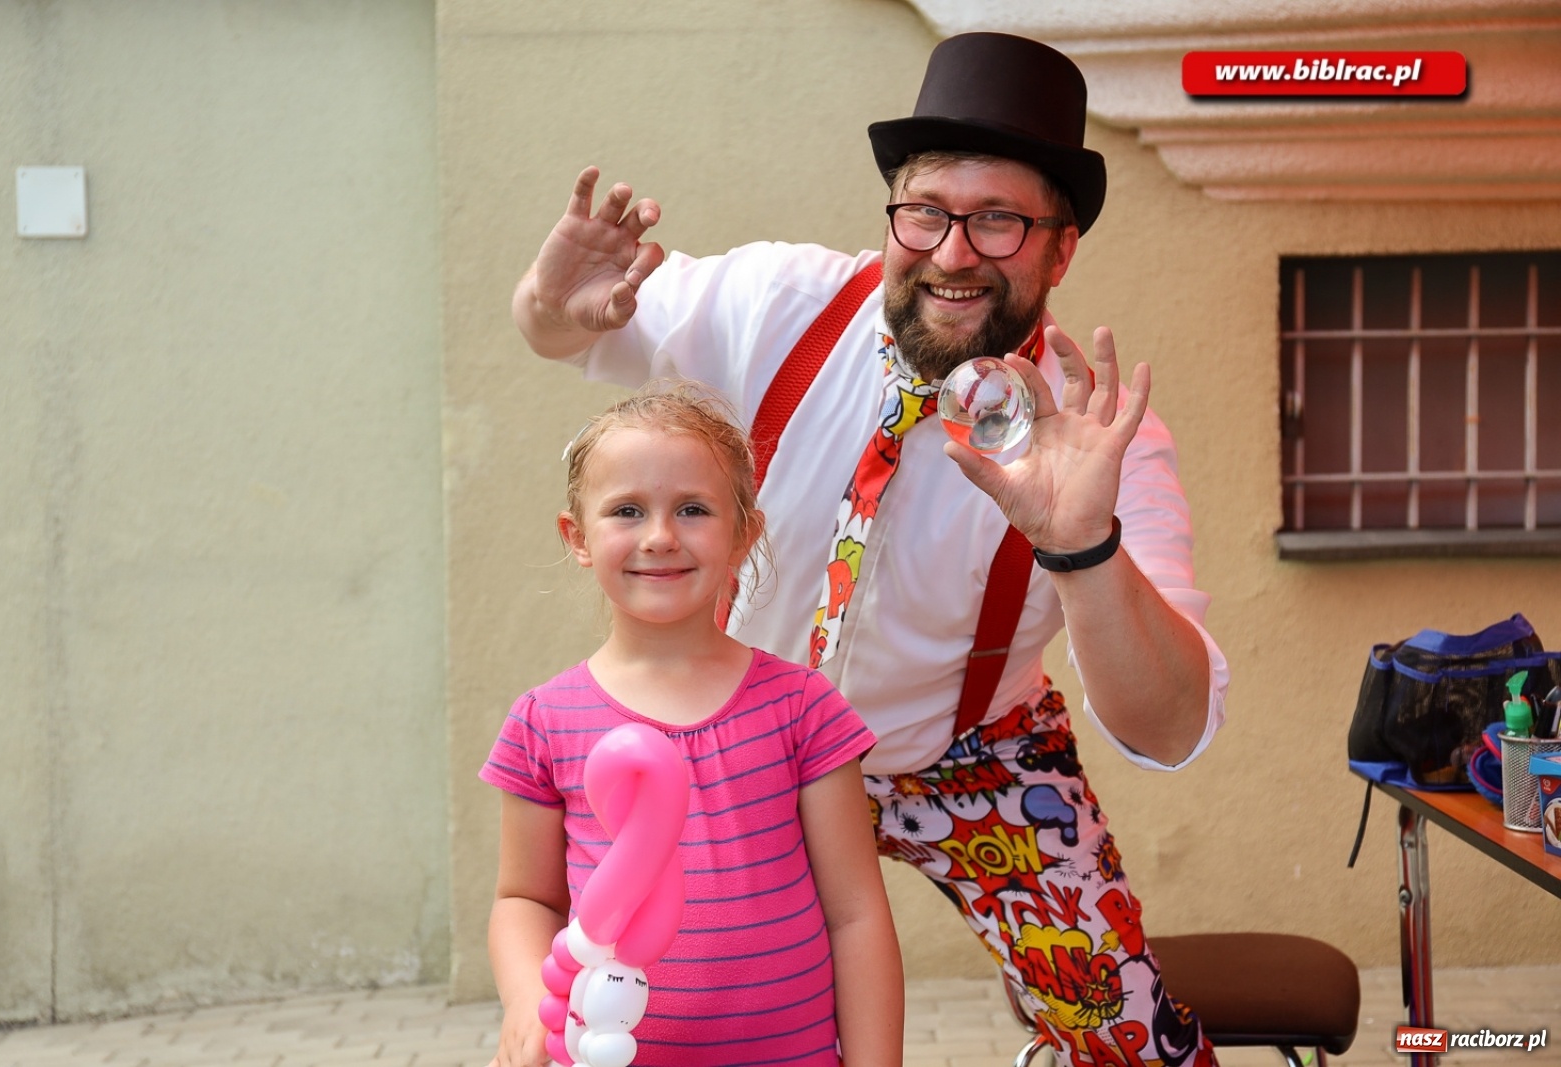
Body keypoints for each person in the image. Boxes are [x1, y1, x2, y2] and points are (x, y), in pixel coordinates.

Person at [509, 31, 1230, 1067]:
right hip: (743, 742)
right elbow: (566, 330)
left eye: (999, 221)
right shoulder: (774, 303)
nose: (952, 251)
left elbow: (1169, 726)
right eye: (928, 210)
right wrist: (547, 303)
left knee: (1133, 1040)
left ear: (1060, 249)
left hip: (972, 754)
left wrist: (1083, 548)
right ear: (893, 214)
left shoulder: (1105, 437)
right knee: (634, 1009)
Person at [481, 385, 905, 1067]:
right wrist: (525, 997)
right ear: (578, 537)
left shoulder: (801, 708)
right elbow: (524, 896)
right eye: (626, 509)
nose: (659, 536)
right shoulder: (542, 722)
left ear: (743, 533)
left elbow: (854, 915)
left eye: (693, 509)